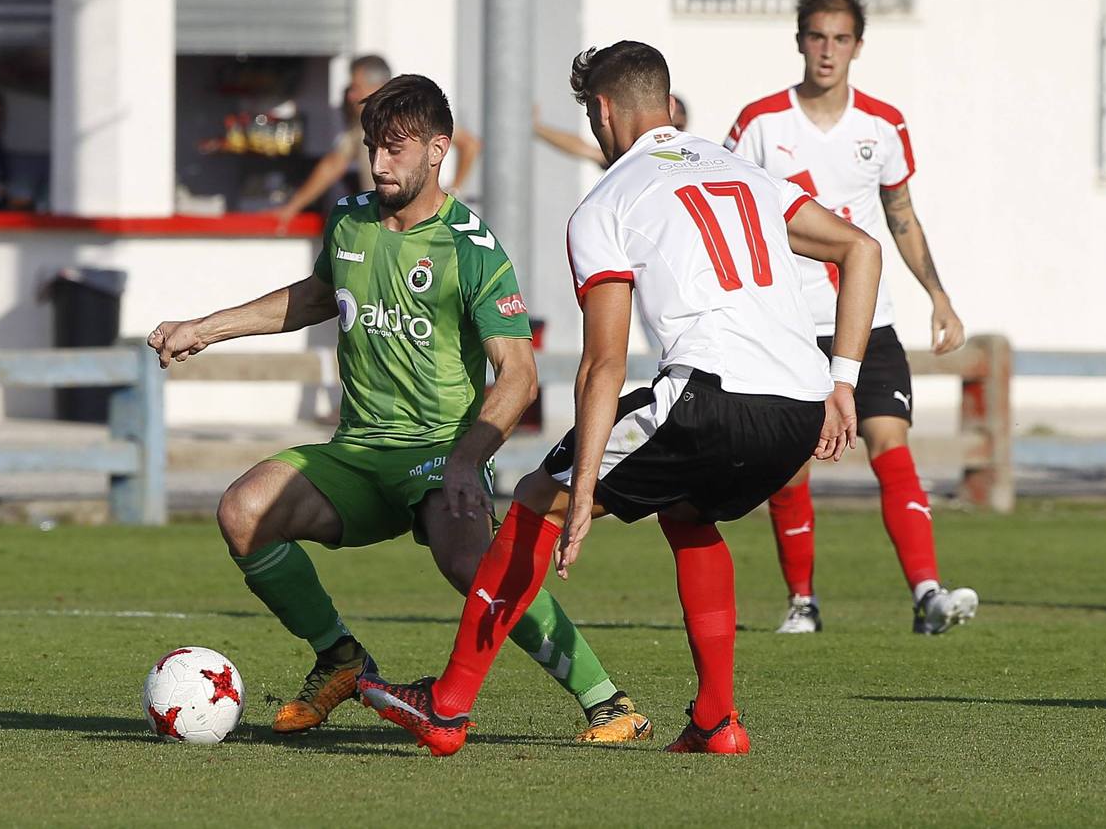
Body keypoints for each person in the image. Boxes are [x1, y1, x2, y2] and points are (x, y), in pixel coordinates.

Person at [358, 40, 882, 756]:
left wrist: (577, 495)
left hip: (710, 394)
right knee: (689, 513)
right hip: (798, 410)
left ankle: (446, 707)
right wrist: (844, 379)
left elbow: (602, 365)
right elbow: (861, 249)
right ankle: (716, 721)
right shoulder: (748, 174)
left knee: (538, 498)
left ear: (601, 111)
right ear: (665, 103)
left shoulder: (607, 199)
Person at [148, 75, 649, 743]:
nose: (379, 163)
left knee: (474, 565)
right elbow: (316, 296)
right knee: (244, 511)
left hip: (440, 453)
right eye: (371, 148)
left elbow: (518, 375)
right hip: (355, 454)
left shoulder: (469, 247)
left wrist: (468, 461)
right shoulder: (351, 219)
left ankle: (607, 701)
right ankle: (339, 658)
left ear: (438, 149)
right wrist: (206, 327)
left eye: (395, 148)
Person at [725, 0, 978, 635]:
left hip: (868, 321)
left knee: (889, 444)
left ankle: (926, 593)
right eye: (815, 36)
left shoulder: (882, 125)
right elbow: (729, 220)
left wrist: (938, 295)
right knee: (789, 467)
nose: (826, 50)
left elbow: (900, 216)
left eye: (839, 39)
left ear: (857, 46)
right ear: (799, 41)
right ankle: (801, 602)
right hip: (786, 323)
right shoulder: (758, 124)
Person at [272, 55, 480, 227]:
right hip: (385, 220)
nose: (351, 95)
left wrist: (454, 191)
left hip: (420, 222)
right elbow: (334, 164)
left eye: (356, 87)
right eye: (372, 148)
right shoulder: (364, 123)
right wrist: (293, 208)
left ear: (377, 85)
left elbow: (470, 145)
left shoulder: (409, 118)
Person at [534, 94, 688, 167]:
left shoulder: (689, 156)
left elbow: (585, 150)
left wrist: (537, 129)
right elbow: (585, 150)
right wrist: (538, 129)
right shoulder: (632, 154)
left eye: (676, 126)